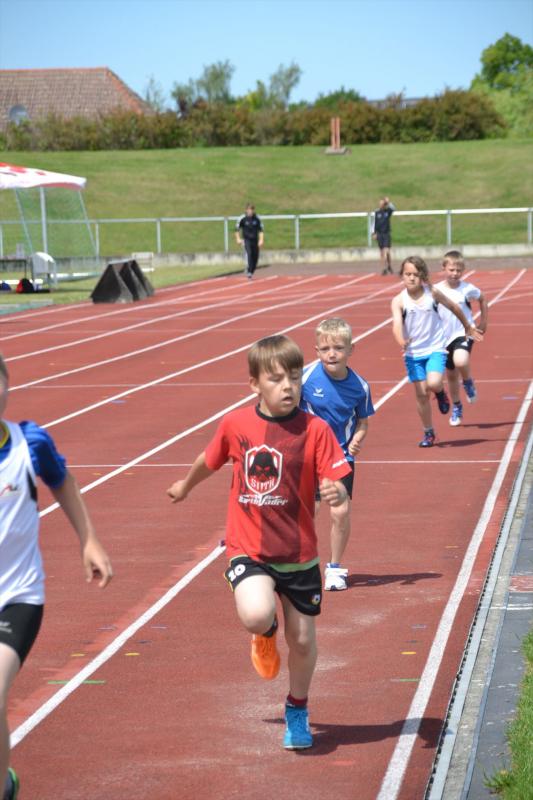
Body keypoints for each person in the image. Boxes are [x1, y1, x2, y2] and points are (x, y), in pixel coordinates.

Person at [167, 335, 350, 750]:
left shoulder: (315, 429)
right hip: (248, 547)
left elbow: (335, 478)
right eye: (277, 379)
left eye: (295, 377)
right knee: (255, 614)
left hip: (299, 554)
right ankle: (264, 632)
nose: (288, 387)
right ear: (255, 384)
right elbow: (209, 460)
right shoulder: (235, 424)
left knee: (302, 641)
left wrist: (335, 491)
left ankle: (297, 708)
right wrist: (186, 485)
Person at [0, 354, 113, 800]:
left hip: (18, 596)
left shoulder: (30, 442)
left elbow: (62, 481)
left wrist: (90, 540)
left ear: (7, 385)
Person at [300, 318, 374, 591]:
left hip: (341, 457)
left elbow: (363, 422)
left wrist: (357, 440)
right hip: (308, 456)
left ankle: (334, 568)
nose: (332, 354)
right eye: (325, 349)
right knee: (309, 512)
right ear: (317, 350)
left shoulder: (360, 386)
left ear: (351, 349)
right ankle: (301, 563)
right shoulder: (304, 378)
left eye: (338, 348)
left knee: (340, 512)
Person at [391, 256, 483, 448]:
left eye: (416, 274)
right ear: (402, 275)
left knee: (433, 383)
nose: (412, 278)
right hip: (413, 354)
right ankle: (429, 432)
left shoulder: (432, 293)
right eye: (408, 274)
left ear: (423, 276)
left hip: (435, 349)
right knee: (421, 395)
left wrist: (467, 326)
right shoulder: (398, 300)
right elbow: (397, 324)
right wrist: (402, 341)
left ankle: (441, 393)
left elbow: (454, 307)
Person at [435, 251, 489, 426]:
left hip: (463, 332)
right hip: (444, 338)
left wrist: (483, 322)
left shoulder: (467, 288)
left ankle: (467, 382)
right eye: (451, 270)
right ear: (443, 268)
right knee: (451, 376)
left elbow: (483, 299)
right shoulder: (436, 290)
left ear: (463, 270)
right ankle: (457, 406)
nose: (455, 273)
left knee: (461, 360)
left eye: (458, 270)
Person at [235, 203, 264, 279]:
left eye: (252, 210)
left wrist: (261, 240)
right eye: (249, 210)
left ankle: (250, 270)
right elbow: (237, 229)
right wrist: (238, 238)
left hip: (255, 240)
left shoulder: (257, 218)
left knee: (255, 257)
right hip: (246, 240)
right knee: (249, 254)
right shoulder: (242, 218)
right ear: (246, 210)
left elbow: (261, 230)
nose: (250, 211)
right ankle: (249, 271)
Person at [372, 196, 395, 275]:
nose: (381, 205)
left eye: (382, 203)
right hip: (379, 234)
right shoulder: (377, 212)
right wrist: (374, 233)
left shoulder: (388, 212)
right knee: (382, 252)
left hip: (386, 234)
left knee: (387, 251)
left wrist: (388, 202)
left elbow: (393, 208)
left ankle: (389, 265)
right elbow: (374, 223)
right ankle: (384, 268)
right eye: (380, 203)